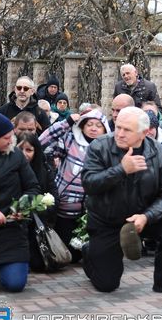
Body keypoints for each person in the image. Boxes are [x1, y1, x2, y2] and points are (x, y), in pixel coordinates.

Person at [81, 107, 162, 295]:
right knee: (107, 284)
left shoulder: (158, 152)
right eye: (118, 127)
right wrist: (120, 170)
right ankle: (90, 252)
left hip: (142, 217)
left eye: (127, 130)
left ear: (144, 133)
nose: (119, 134)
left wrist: (147, 216)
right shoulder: (99, 146)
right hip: (107, 221)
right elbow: (89, 184)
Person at [39, 109, 111, 263]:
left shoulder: (109, 148)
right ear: (82, 126)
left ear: (105, 128)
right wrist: (66, 123)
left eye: (98, 126)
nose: (93, 128)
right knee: (70, 255)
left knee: (85, 253)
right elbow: (41, 143)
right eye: (89, 124)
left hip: (91, 213)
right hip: (65, 209)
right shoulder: (70, 140)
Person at [0, 111, 40, 292]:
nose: (11, 140)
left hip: (11, 231)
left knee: (14, 284)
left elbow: (33, 188)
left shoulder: (16, 155)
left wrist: (21, 207)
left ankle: (4, 267)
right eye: (6, 137)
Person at [16, 132, 59, 272]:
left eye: (29, 150)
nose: (24, 154)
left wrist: (36, 210)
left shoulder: (44, 169)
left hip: (38, 225)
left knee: (39, 265)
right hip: (15, 225)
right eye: (20, 149)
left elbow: (54, 199)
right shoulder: (10, 170)